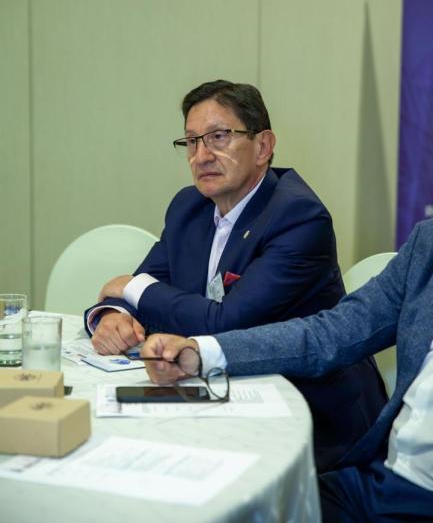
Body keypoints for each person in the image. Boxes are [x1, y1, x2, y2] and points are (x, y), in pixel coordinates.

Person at [84, 79, 386, 471]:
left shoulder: (298, 217)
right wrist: (113, 315)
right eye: (191, 142)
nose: (201, 155)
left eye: (218, 137)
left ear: (263, 146)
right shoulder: (189, 207)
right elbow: (146, 286)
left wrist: (132, 286)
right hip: (216, 392)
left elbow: (226, 322)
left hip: (309, 414)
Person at [143, 218, 433, 522]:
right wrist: (200, 352)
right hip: (379, 479)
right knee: (228, 506)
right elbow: (330, 333)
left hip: (420, 501)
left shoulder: (298, 215)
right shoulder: (427, 243)